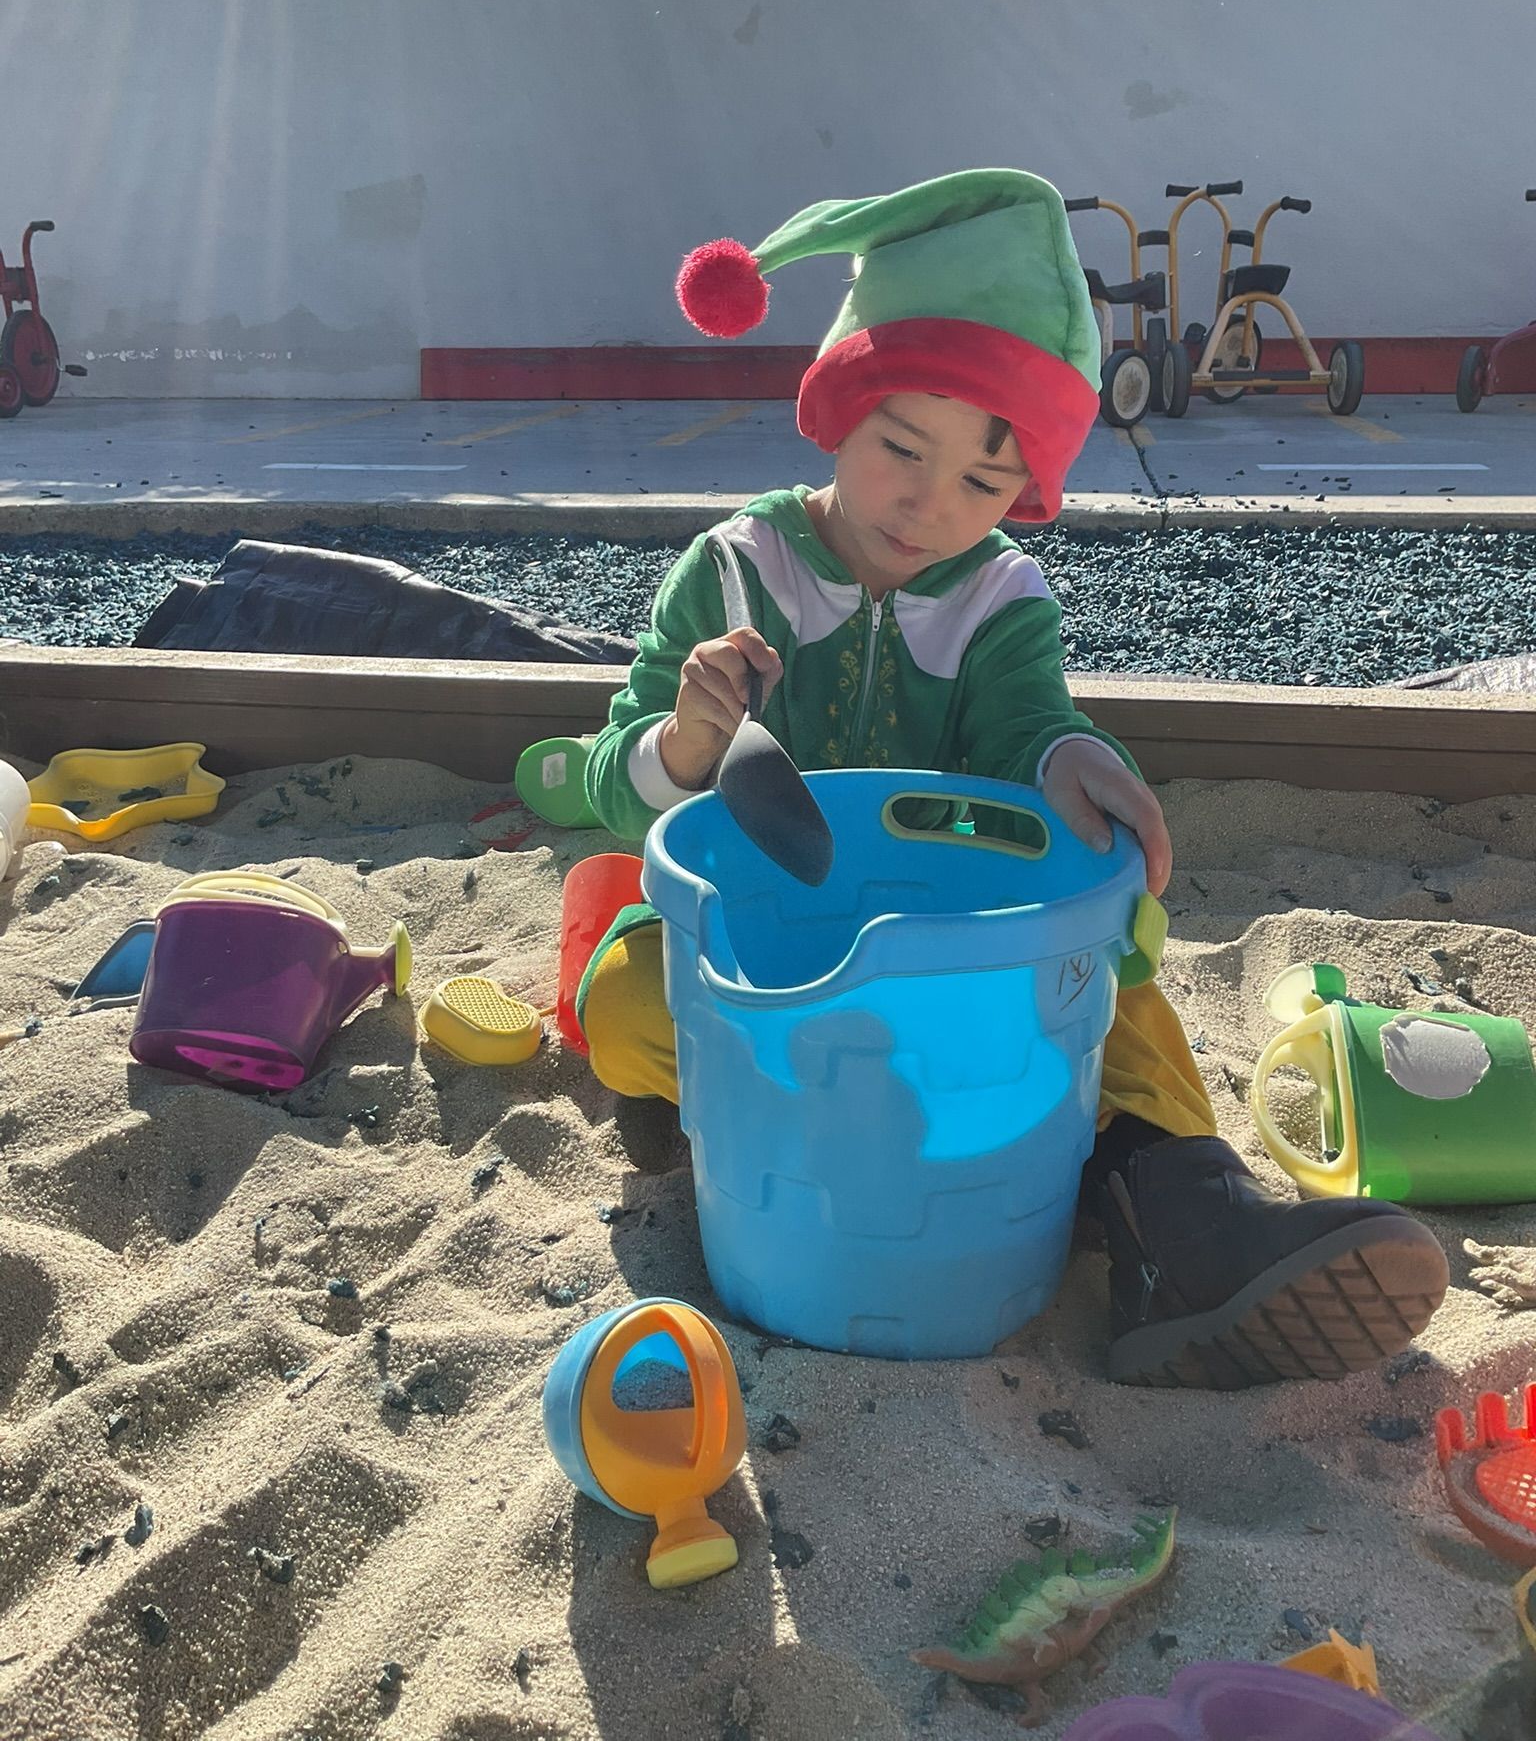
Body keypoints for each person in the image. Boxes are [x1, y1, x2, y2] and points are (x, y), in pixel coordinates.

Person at [575, 170, 1448, 1389]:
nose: (931, 504)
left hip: (956, 954)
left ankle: (1187, 1222)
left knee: (1116, 993)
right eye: (902, 448)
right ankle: (807, 1121)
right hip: (772, 944)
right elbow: (612, 783)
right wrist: (687, 738)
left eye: (986, 481)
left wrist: (1075, 755)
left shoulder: (998, 596)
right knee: (626, 995)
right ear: (840, 406)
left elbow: (1028, 726)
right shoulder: (735, 569)